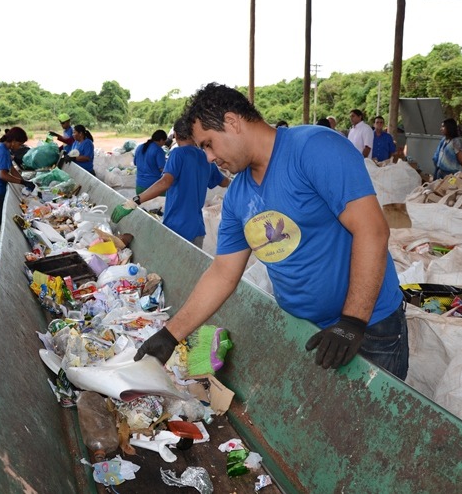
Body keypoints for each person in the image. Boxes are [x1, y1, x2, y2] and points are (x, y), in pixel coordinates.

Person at [133, 83, 408, 380]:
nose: (209, 158)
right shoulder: (239, 195)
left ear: (232, 122)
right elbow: (223, 272)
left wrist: (352, 321)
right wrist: (170, 335)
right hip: (310, 332)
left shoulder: (313, 148)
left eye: (208, 144)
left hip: (369, 329)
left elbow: (372, 231)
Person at [114, 117, 230, 248]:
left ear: (176, 134)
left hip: (177, 227)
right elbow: (224, 181)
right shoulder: (205, 157)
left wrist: (134, 201)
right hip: (197, 229)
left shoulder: (178, 154)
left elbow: (165, 182)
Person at [0, 127, 36, 226]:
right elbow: (3, 175)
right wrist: (22, 182)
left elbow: (11, 169)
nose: (19, 147)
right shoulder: (3, 152)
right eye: (19, 144)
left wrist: (23, 181)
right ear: (13, 141)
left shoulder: (1, 148)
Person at [133, 130, 168, 194]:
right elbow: (163, 169)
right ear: (161, 140)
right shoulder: (158, 150)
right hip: (153, 187)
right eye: (164, 142)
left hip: (139, 187)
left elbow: (135, 163)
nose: (163, 144)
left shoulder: (139, 147)